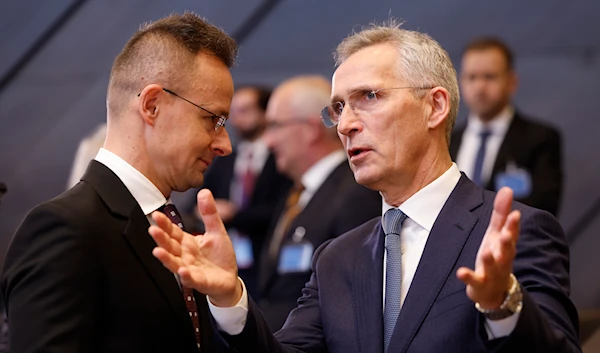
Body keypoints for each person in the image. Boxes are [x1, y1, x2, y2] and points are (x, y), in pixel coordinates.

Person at [149, 20, 580, 352]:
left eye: (368, 97)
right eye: (338, 108)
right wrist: (230, 299)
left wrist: (502, 305)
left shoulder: (514, 234)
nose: (347, 124)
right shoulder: (337, 258)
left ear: (434, 106)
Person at [1, 12, 237, 353]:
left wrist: (229, 299)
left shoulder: (175, 227)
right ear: (152, 105)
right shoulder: (65, 228)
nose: (225, 144)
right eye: (212, 119)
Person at [256, 75, 381, 330]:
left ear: (310, 129)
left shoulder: (356, 194)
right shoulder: (295, 194)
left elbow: (353, 297)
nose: (268, 141)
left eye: (275, 126)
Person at [183, 85, 292, 296]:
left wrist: (236, 215)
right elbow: (196, 200)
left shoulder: (280, 158)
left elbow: (283, 208)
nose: (237, 119)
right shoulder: (225, 159)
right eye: (235, 112)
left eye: (245, 110)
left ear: (264, 113)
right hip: (228, 257)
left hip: (267, 258)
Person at [450, 37, 563, 216]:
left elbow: (544, 209)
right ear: (460, 82)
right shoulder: (447, 140)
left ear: (511, 82)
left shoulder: (539, 139)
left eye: (489, 77)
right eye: (472, 77)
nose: (480, 87)